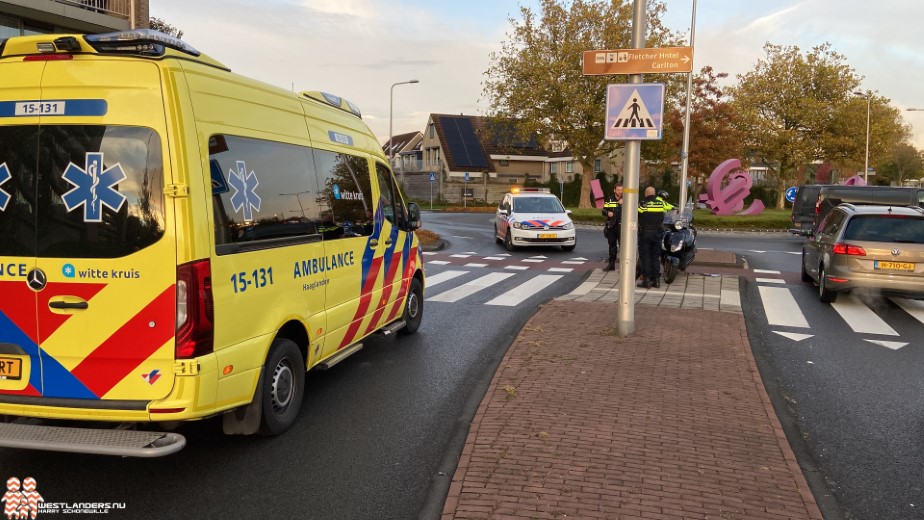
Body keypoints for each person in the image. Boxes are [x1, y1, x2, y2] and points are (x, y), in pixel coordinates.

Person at [637, 186, 674, 288]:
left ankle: (647, 280)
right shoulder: (661, 203)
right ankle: (656, 281)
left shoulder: (643, 204)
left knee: (645, 257)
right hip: (657, 234)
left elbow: (636, 215)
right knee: (655, 257)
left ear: (646, 193)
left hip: (645, 233)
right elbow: (672, 208)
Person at [601, 184, 623, 271]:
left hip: (622, 226)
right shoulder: (609, 199)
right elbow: (603, 211)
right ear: (614, 190)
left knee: (623, 246)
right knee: (612, 246)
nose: (620, 192)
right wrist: (607, 213)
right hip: (612, 226)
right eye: (618, 190)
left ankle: (624, 266)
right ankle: (611, 264)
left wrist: (619, 204)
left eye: (621, 190)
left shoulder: (626, 199)